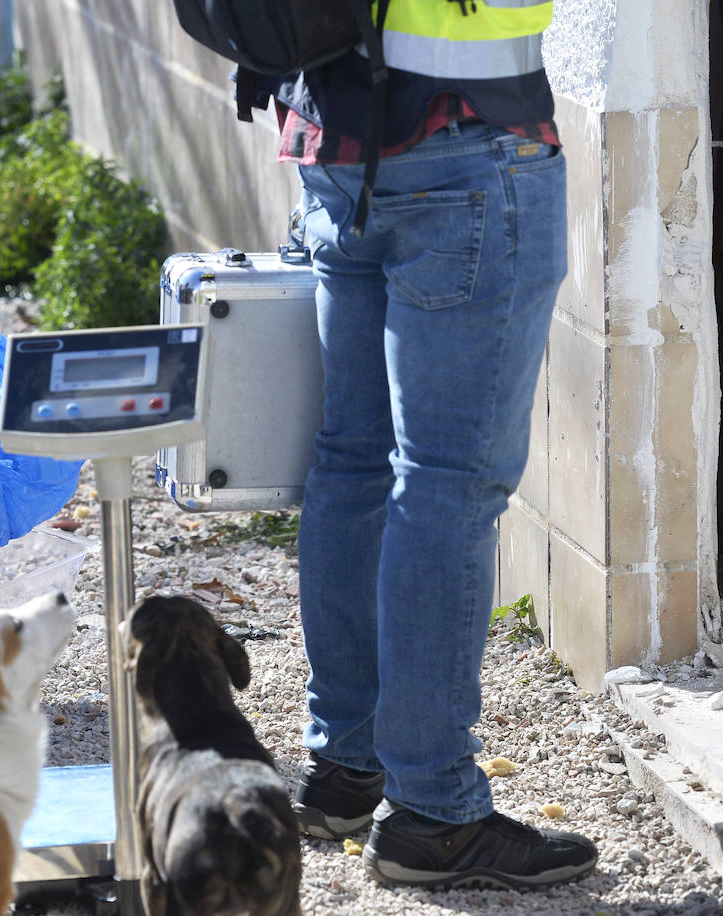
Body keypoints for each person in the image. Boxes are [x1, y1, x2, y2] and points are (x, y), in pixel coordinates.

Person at [252, 0, 600, 891]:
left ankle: (343, 770)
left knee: (353, 461)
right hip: (467, 144)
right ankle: (436, 816)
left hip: (334, 143)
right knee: (445, 485)